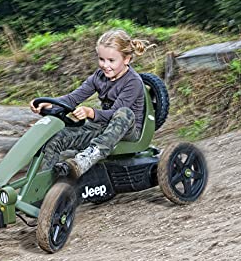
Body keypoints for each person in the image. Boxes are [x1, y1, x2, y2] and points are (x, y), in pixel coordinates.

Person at [30, 29, 155, 179]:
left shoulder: (133, 82)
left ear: (126, 59)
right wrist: (51, 104)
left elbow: (115, 113)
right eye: (101, 59)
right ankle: (41, 185)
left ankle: (89, 157)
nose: (105, 65)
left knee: (124, 113)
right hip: (103, 127)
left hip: (128, 131)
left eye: (111, 60)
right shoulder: (99, 76)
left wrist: (91, 113)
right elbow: (73, 98)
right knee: (56, 139)